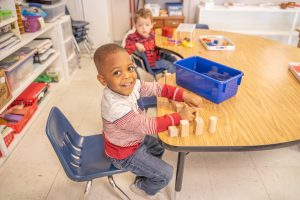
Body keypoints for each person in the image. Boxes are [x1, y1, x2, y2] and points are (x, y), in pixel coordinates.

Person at [93, 43, 202, 199]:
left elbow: (157, 88)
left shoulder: (132, 84)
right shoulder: (115, 107)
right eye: (117, 73)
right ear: (103, 80)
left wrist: (183, 95)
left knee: (159, 146)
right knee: (166, 173)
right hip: (124, 154)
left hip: (135, 140)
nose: (127, 76)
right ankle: (142, 187)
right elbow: (147, 126)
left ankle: (148, 171)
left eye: (130, 68)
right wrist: (179, 117)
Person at [125, 8, 177, 74]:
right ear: (135, 26)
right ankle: (169, 79)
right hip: (150, 63)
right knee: (169, 64)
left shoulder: (152, 33)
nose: (144, 28)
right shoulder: (132, 37)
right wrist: (135, 45)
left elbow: (158, 41)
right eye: (140, 25)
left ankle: (174, 73)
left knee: (173, 59)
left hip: (157, 55)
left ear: (151, 25)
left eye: (147, 25)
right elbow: (127, 49)